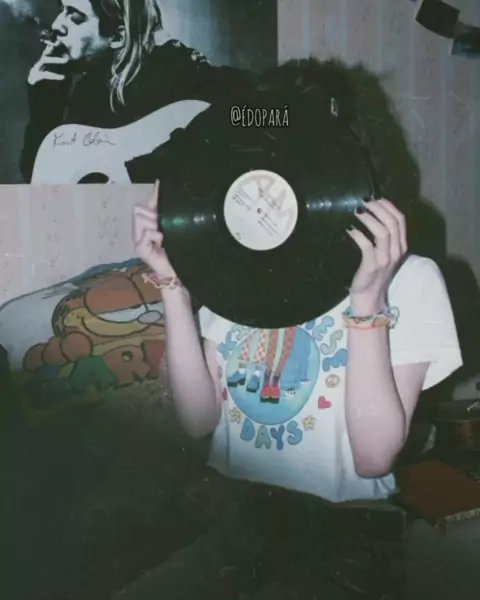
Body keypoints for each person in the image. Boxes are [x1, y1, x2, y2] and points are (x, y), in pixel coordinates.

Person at [124, 66, 463, 598]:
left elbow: (373, 458)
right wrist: (171, 282)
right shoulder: (232, 267)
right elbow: (197, 422)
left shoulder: (412, 280)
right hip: (234, 520)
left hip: (342, 535)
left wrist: (367, 300)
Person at [19, 0, 252, 183]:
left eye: (74, 16)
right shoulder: (88, 91)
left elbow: (259, 108)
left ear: (118, 36)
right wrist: (45, 102)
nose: (56, 25)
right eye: (62, 10)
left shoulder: (174, 69)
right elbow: (45, 184)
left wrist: (143, 169)